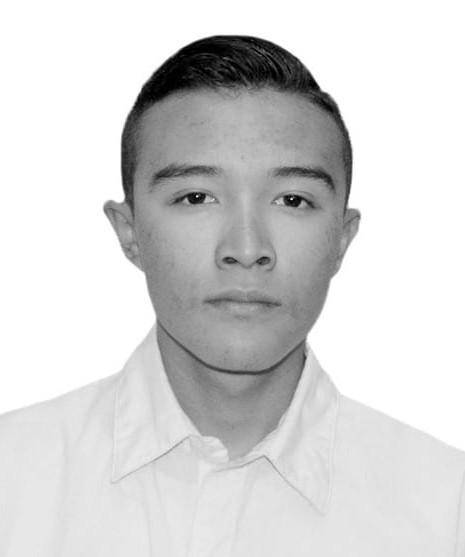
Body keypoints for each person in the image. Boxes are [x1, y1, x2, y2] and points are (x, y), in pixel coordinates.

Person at [0, 34, 463, 556]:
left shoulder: (447, 512)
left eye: (293, 200)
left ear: (341, 238)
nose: (246, 249)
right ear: (129, 233)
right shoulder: (11, 481)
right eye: (196, 197)